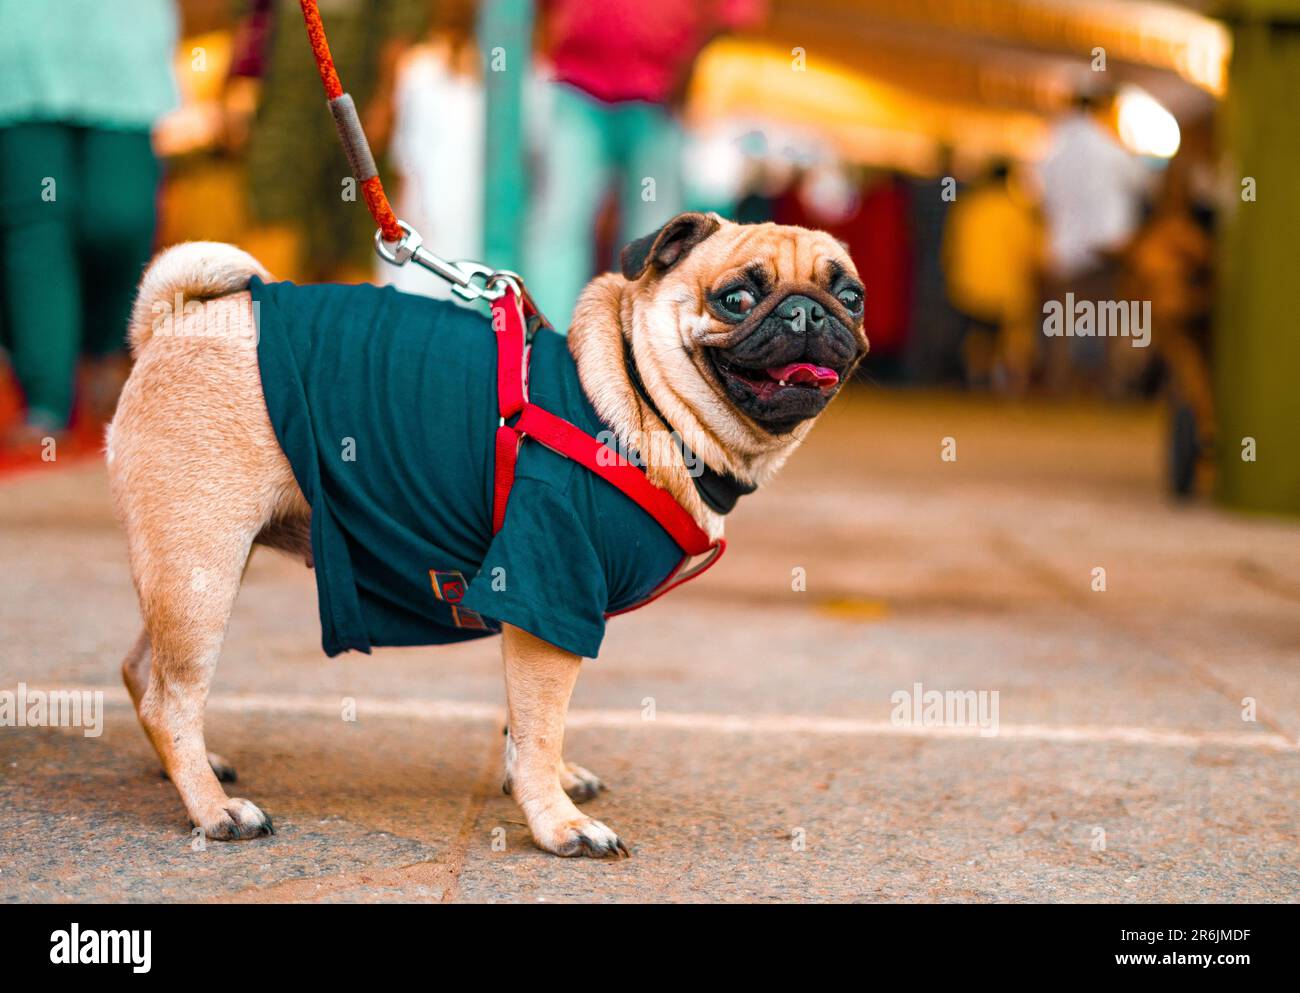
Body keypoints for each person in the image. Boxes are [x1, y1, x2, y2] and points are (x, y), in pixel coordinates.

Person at [523, 0, 765, 333]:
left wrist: (689, 66)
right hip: (575, 84)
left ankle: (631, 343)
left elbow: (734, 13)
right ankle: (544, 338)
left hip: (658, 95)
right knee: (558, 220)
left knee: (650, 236)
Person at [0, 0, 178, 444]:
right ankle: (46, 400)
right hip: (19, 50)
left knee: (121, 215)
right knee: (35, 226)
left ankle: (103, 346)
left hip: (122, 52)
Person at [1036, 90, 1149, 392]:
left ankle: (1059, 386)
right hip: (1106, 249)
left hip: (1065, 251)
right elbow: (1141, 182)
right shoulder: (1109, 145)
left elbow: (1037, 191)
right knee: (1107, 320)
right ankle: (1107, 388)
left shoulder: (1052, 148)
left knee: (1062, 322)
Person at [941, 160, 1044, 393]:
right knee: (1011, 342)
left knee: (978, 339)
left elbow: (952, 245)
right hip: (1006, 289)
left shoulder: (968, 206)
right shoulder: (1017, 210)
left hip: (970, 285)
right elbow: (1031, 251)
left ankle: (977, 379)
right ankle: (1011, 386)